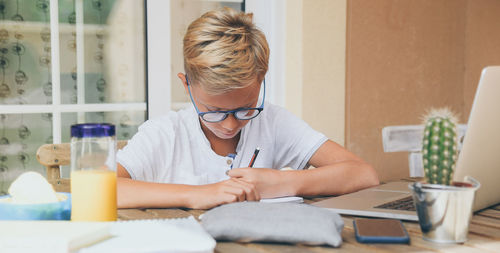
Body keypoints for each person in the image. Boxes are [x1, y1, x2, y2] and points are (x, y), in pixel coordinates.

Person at [116, 7, 379, 209]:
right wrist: (198, 194)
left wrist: (282, 182)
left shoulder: (274, 123)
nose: (230, 125)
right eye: (214, 111)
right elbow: (100, 189)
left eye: (246, 108)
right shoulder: (165, 134)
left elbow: (363, 175)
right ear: (187, 86)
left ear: (260, 81)